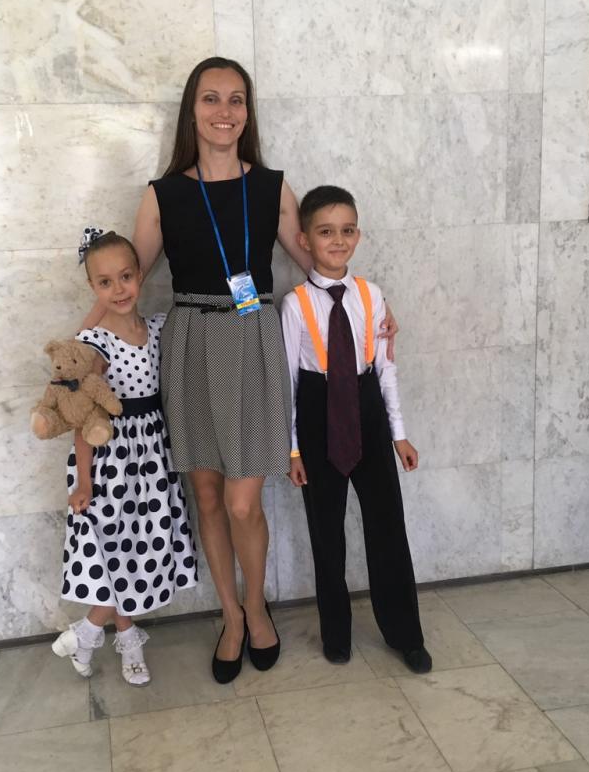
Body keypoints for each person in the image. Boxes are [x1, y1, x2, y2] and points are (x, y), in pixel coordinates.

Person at [87, 57, 398, 684]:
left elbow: (319, 262)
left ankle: (258, 608)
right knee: (206, 493)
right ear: (192, 110)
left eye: (236, 99)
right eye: (211, 98)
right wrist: (82, 345)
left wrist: (374, 313)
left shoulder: (272, 187)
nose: (224, 111)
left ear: (248, 112)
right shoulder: (163, 194)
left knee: (241, 500)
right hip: (190, 346)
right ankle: (231, 616)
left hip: (253, 342)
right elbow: (125, 282)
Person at [281, 185, 431, 673]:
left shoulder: (372, 295)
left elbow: (385, 368)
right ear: (305, 240)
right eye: (326, 232)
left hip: (366, 408)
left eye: (347, 231)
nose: (338, 240)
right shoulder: (295, 304)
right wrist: (293, 450)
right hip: (318, 410)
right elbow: (287, 381)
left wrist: (398, 433)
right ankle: (337, 635)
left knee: (388, 527)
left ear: (358, 235)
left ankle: (405, 633)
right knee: (326, 532)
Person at [52, 227, 197, 686]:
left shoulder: (156, 328)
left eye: (126, 277)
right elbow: (83, 414)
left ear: (140, 275)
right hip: (110, 462)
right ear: (92, 287)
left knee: (138, 550)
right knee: (116, 552)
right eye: (105, 282)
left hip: (151, 459)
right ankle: (109, 637)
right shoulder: (93, 344)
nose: (118, 289)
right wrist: (85, 480)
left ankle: (95, 637)